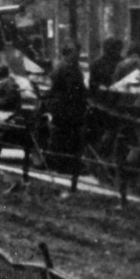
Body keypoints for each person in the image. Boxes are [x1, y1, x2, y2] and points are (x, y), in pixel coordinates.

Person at [48, 43, 89, 192]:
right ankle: (64, 166)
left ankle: (66, 165)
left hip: (68, 108)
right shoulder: (64, 68)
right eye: (75, 52)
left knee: (68, 137)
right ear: (68, 53)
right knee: (65, 136)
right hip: (65, 108)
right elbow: (70, 89)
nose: (78, 55)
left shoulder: (70, 66)